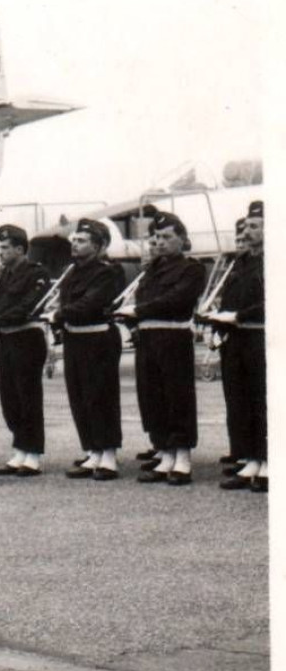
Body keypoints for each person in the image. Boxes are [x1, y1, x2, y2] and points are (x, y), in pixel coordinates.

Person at [115, 211, 206, 485]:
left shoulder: (192, 269)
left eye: (168, 237)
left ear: (182, 240)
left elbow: (176, 299)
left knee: (177, 397)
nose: (161, 242)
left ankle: (183, 458)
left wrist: (139, 309)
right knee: (152, 397)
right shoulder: (151, 271)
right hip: (148, 339)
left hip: (173, 337)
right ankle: (165, 453)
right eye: (157, 237)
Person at [52, 218, 126, 480]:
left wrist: (60, 314)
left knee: (101, 397)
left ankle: (108, 455)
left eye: (82, 241)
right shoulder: (72, 271)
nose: (74, 244)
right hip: (75, 339)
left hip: (98, 339)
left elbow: (91, 303)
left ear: (98, 246)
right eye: (74, 240)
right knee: (80, 397)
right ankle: (93, 450)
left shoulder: (107, 271)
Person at [209, 200, 266, 492]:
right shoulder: (243, 263)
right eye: (246, 227)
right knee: (242, 401)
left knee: (262, 401)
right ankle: (252, 459)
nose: (248, 231)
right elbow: (230, 299)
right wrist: (218, 323)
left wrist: (240, 315)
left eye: (255, 226)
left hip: (262, 336)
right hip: (239, 337)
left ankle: (269, 461)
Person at [0, 224, 52, 476]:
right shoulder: (4, 275)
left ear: (19, 249)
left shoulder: (37, 273)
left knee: (28, 398)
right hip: (6, 340)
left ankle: (32, 453)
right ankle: (19, 450)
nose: (1, 252)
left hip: (27, 338)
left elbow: (29, 306)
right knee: (10, 398)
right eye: (0, 247)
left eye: (5, 247)